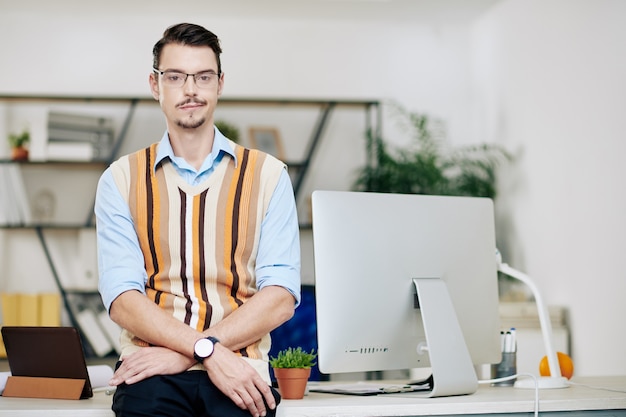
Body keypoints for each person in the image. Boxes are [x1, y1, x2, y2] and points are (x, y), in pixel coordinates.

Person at [95, 22, 301, 417]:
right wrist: (203, 351)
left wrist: (192, 351)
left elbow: (280, 299)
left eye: (203, 77)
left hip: (242, 372)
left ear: (219, 83)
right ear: (156, 85)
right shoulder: (120, 179)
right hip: (150, 375)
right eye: (175, 77)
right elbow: (123, 300)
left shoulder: (269, 176)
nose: (190, 89)